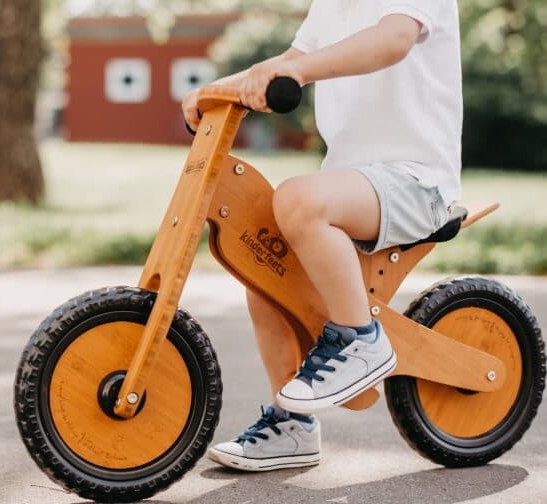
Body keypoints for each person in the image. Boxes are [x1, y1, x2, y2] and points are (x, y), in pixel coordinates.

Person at [182, 0, 462, 472]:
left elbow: (392, 40)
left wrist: (304, 72)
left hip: (418, 182)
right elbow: (290, 61)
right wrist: (221, 89)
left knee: (296, 200)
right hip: (355, 184)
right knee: (262, 259)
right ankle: (290, 425)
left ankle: (360, 339)